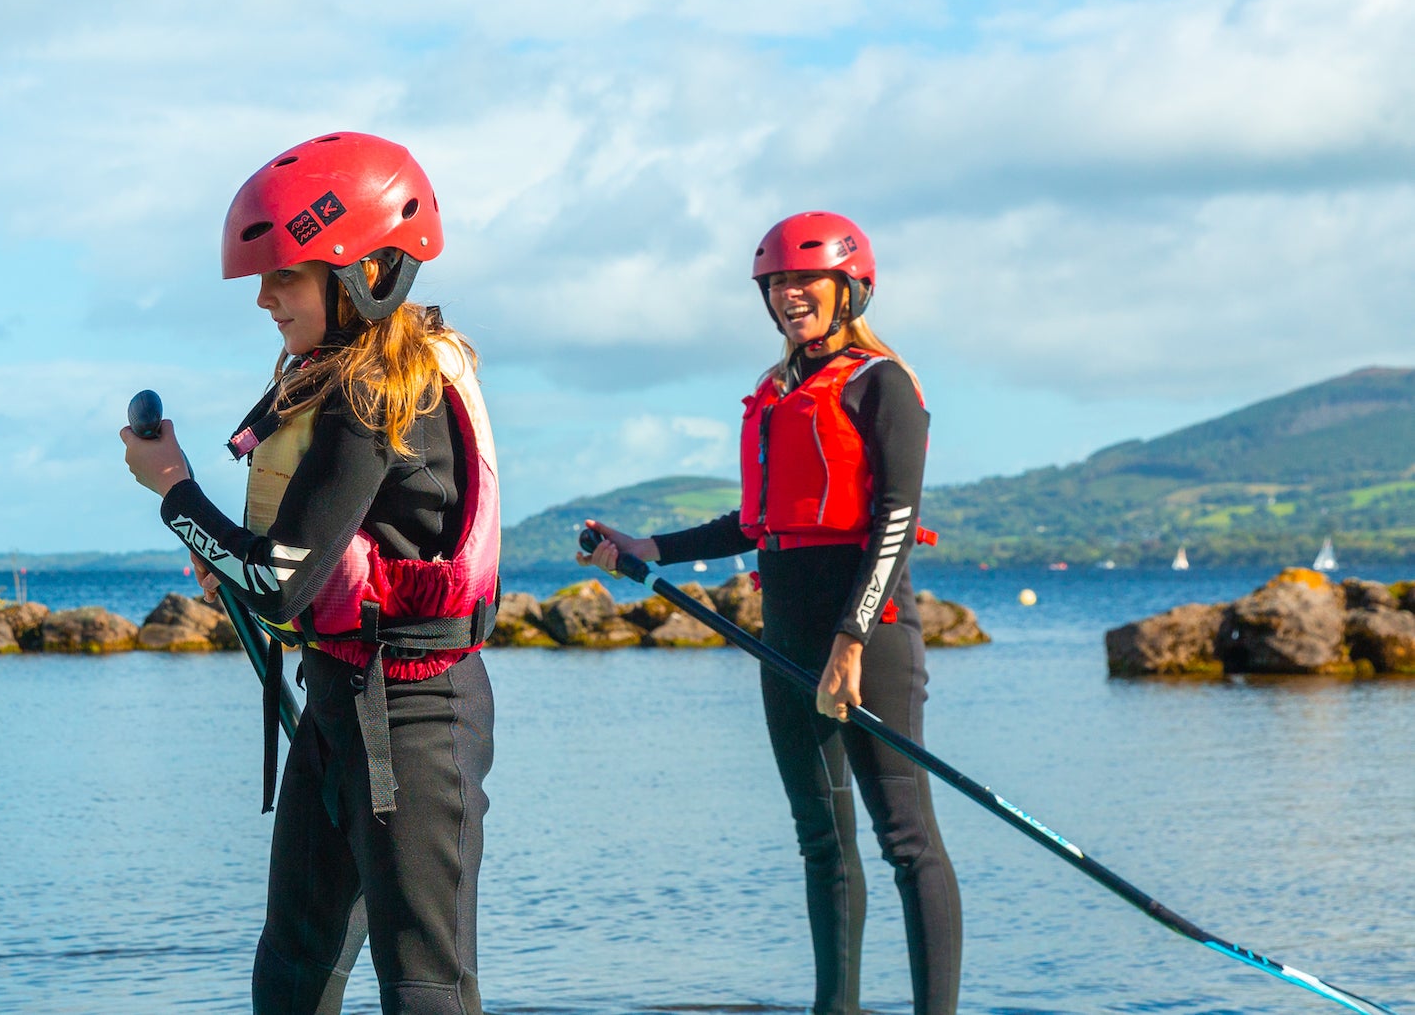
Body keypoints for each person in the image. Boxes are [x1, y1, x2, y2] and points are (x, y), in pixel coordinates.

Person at [123, 132, 499, 1015]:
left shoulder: (377, 396)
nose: (264, 298)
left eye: (284, 277)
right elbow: (290, 567)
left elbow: (279, 583)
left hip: (415, 719)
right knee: (291, 973)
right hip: (338, 702)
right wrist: (231, 563)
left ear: (366, 272)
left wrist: (174, 489)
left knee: (425, 986)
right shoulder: (335, 379)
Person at [583, 211, 960, 1015]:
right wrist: (647, 546)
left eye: (805, 280)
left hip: (869, 636)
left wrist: (851, 639)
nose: (790, 295)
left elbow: (896, 517)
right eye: (778, 283)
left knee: (906, 840)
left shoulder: (882, 383)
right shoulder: (777, 392)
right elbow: (756, 523)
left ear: (850, 287)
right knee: (821, 840)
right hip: (785, 635)